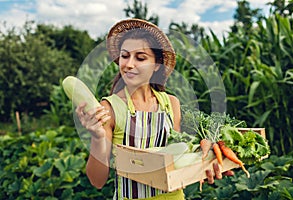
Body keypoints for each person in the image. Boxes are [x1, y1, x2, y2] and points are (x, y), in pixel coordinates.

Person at [76, 18, 225, 200]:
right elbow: (97, 181)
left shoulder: (171, 103)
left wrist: (205, 164)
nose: (129, 64)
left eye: (140, 58)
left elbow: (176, 160)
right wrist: (97, 137)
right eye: (125, 56)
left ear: (156, 65)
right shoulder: (110, 108)